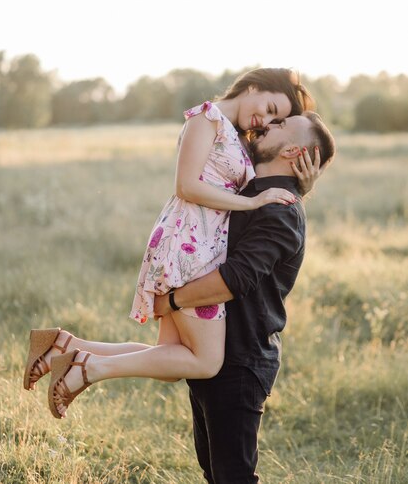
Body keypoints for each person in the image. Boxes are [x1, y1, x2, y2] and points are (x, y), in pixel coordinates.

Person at [23, 67, 318, 419]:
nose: (266, 120)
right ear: (253, 86)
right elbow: (186, 186)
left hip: (201, 246)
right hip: (189, 247)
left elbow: (265, 173)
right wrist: (251, 203)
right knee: (206, 361)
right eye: (269, 108)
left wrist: (300, 186)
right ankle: (86, 367)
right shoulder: (206, 119)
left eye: (276, 119)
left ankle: (64, 346)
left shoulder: (237, 135)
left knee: (172, 358)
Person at [154, 111, 336, 483]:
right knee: (214, 472)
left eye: (281, 125)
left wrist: (171, 301)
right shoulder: (250, 189)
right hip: (211, 349)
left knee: (233, 476)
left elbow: (235, 279)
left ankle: (82, 362)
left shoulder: (280, 211)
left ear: (295, 151)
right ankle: (74, 352)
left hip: (240, 361)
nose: (268, 124)